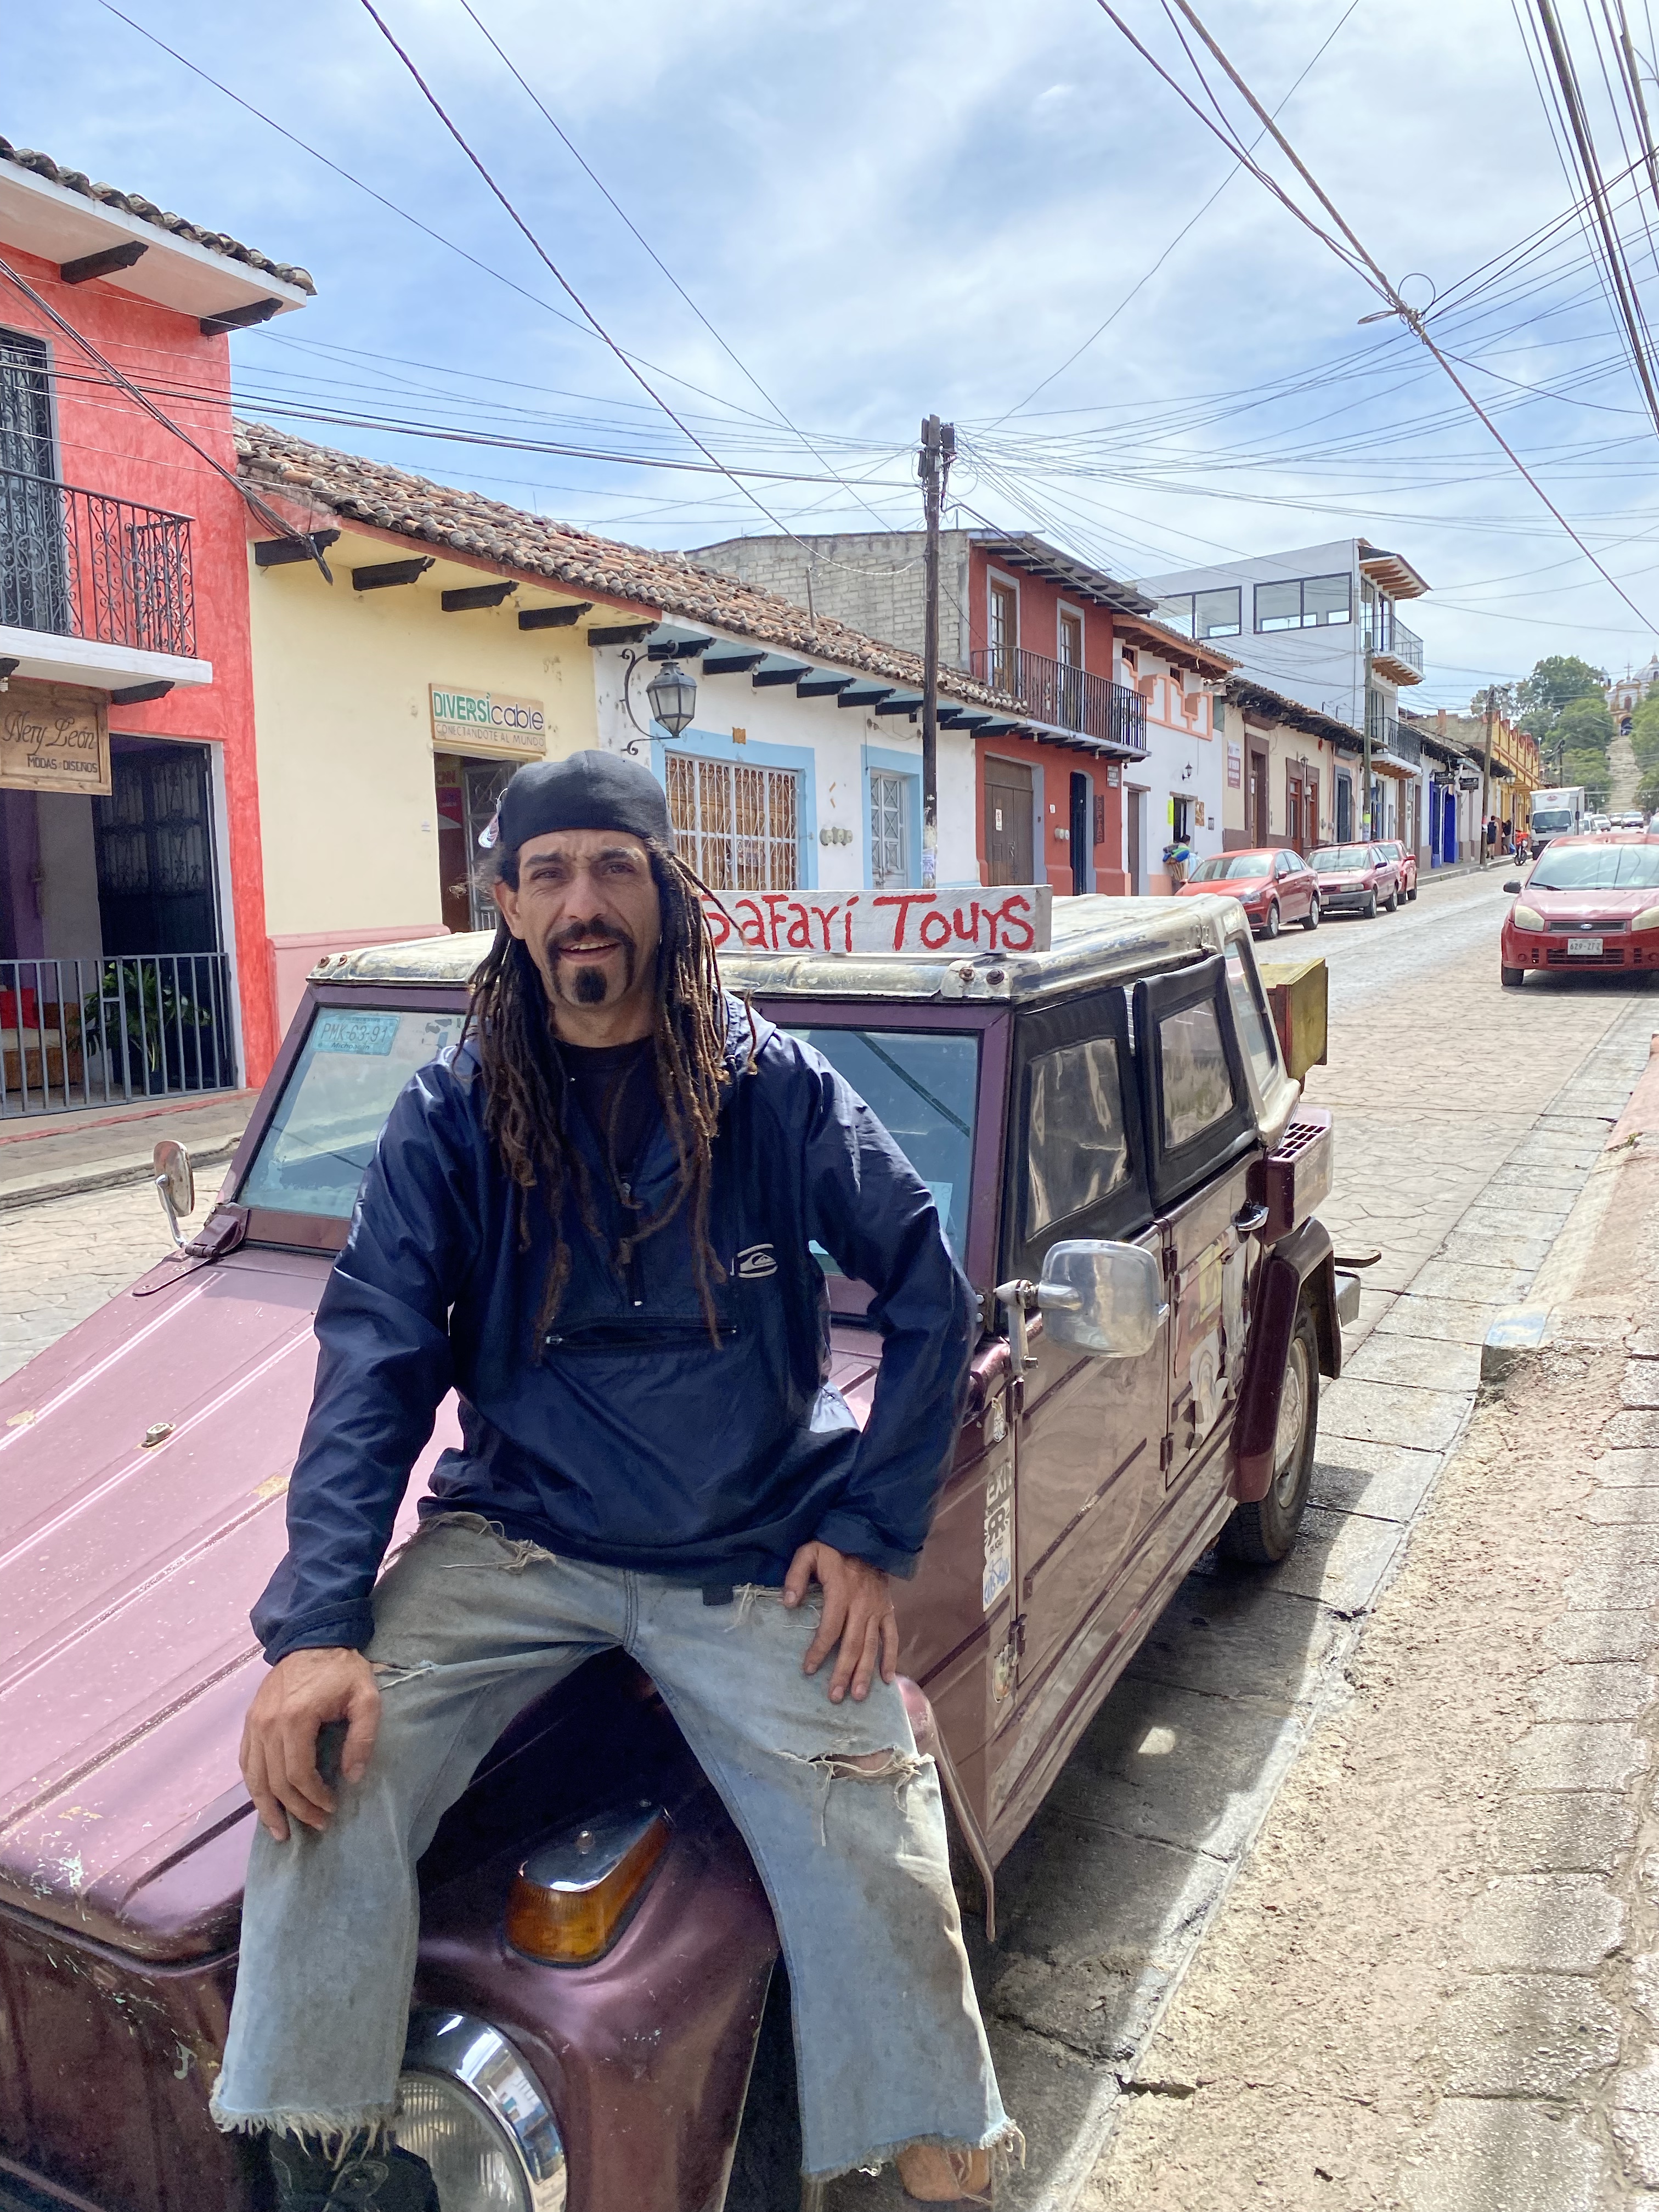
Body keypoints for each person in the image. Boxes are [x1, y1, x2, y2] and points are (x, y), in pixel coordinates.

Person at [211, 752, 1015, 2210]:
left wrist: (870, 1526)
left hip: (748, 1548)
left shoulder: (773, 1090)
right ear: (509, 904)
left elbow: (928, 1291)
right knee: (327, 1757)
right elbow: (376, 1357)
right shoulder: (451, 1115)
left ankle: (932, 2142)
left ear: (667, 893)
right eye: (552, 872)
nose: (584, 901)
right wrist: (318, 1626)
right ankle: (315, 2144)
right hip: (518, 1544)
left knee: (874, 1813)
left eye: (614, 868)